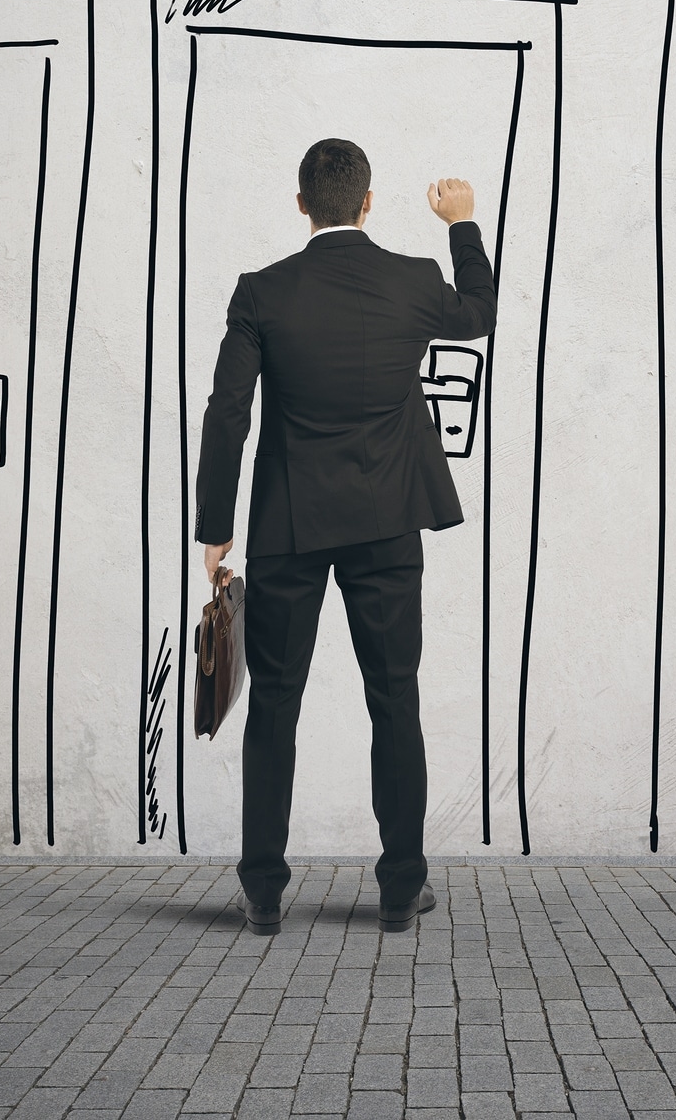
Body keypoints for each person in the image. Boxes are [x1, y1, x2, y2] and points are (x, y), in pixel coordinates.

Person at [195, 137, 497, 935]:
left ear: (303, 206)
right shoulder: (413, 280)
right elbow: (480, 315)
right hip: (389, 521)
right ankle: (401, 887)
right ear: (369, 203)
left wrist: (215, 528)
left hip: (292, 525)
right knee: (395, 700)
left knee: (275, 706)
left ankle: (262, 890)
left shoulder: (262, 292)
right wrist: (461, 224)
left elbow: (228, 412)